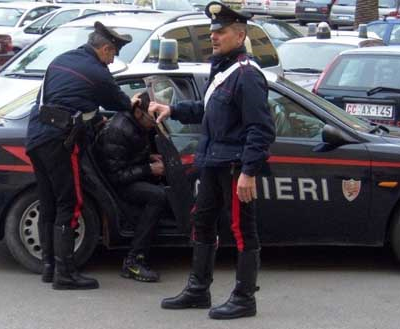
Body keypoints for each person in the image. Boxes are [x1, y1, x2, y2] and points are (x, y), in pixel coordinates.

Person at [149, 1, 275, 320]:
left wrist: (249, 171)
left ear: (240, 34)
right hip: (213, 162)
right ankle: (198, 289)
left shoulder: (247, 75)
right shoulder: (221, 69)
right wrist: (173, 110)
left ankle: (245, 298)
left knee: (242, 230)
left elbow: (261, 129)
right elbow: (209, 109)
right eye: (213, 32)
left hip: (234, 167)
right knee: (202, 223)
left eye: (221, 31)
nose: (214, 37)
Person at [26, 21, 140, 290]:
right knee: (70, 202)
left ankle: (49, 267)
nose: (112, 62)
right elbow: (121, 104)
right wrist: (134, 103)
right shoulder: (97, 72)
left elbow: (68, 97)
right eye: (112, 55)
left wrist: (95, 118)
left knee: (49, 202)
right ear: (105, 48)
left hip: (35, 138)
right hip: (60, 141)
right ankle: (65, 275)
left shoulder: (62, 60)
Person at [96, 92, 166, 282]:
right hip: (118, 185)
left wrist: (148, 158)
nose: (154, 124)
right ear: (137, 113)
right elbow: (117, 175)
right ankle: (134, 260)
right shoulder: (119, 130)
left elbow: (128, 156)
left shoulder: (136, 124)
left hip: (129, 173)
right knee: (157, 196)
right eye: (152, 120)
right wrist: (149, 169)